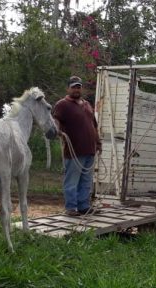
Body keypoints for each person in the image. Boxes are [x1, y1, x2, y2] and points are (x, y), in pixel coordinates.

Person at [52, 76, 101, 216]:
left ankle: (84, 206)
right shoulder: (62, 104)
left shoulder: (87, 104)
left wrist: (98, 143)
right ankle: (71, 208)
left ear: (81, 89)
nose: (76, 89)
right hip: (74, 150)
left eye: (78, 87)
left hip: (90, 149)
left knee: (86, 181)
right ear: (68, 89)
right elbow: (56, 120)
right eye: (73, 87)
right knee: (72, 181)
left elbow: (94, 126)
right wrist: (57, 131)